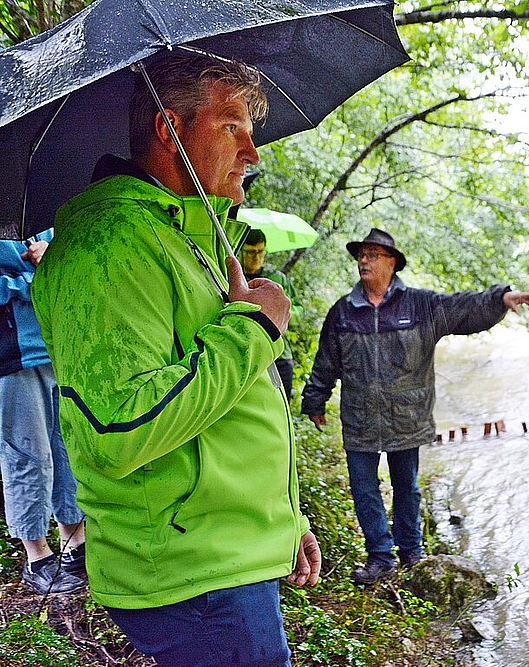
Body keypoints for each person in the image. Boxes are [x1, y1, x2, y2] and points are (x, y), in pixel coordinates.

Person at [32, 52, 320, 667]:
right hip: (192, 574)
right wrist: (255, 325)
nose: (253, 150)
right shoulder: (109, 246)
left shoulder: (185, 235)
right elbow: (121, 425)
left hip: (225, 557)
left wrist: (282, 522)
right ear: (170, 129)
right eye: (231, 127)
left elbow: (231, 407)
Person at [301, 228, 529, 585]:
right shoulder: (343, 312)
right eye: (361, 255)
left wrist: (500, 298)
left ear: (392, 262)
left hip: (406, 417)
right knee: (364, 488)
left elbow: (464, 308)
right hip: (360, 418)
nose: (363, 261)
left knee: (406, 486)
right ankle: (380, 557)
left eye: (372, 255)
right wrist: (315, 399)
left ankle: (412, 552)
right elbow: (326, 360)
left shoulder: (420, 306)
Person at [0, 231, 86, 595]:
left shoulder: (40, 215)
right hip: (11, 356)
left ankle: (74, 542)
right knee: (27, 455)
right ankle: (37, 556)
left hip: (55, 345)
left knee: (66, 449)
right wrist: (30, 278)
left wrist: (54, 257)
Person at [239, 228, 303, 399]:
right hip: (247, 356)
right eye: (250, 252)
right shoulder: (235, 278)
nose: (256, 257)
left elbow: (298, 312)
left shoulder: (277, 278)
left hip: (280, 356)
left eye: (260, 251)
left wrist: (280, 314)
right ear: (240, 251)